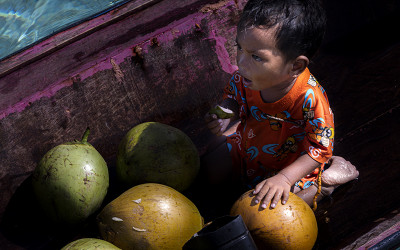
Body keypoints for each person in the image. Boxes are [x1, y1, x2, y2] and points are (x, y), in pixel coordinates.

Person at [203, 0, 359, 210]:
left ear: (295, 65)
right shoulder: (248, 77)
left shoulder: (309, 99)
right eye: (239, 48)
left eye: (256, 57)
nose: (240, 62)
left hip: (292, 167)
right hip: (251, 150)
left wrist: (284, 178)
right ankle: (235, 132)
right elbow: (233, 97)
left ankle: (328, 182)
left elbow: (320, 148)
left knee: (271, 212)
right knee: (207, 169)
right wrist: (226, 112)